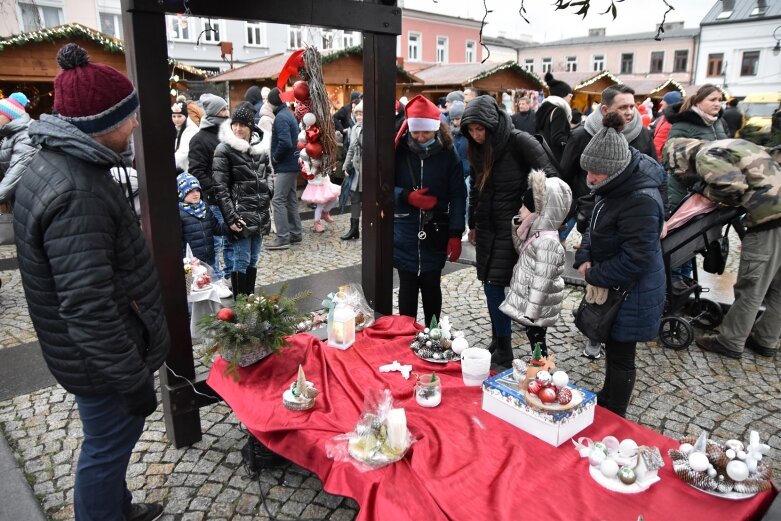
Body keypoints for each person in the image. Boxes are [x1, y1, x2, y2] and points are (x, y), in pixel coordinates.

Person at [14, 43, 169, 521]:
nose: (136, 123)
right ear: (103, 122)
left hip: (93, 357)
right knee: (104, 453)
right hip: (103, 363)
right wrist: (130, 378)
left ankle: (117, 509)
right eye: (130, 115)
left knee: (109, 449)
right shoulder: (77, 188)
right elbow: (87, 306)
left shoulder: (67, 165)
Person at [573, 112, 666, 417]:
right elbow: (595, 226)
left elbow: (636, 259)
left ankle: (616, 412)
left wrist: (595, 273)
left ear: (614, 170)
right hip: (617, 285)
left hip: (632, 291)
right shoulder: (613, 184)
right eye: (588, 170)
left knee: (623, 354)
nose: (590, 178)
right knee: (612, 346)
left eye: (595, 172)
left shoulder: (641, 199)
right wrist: (584, 256)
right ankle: (607, 396)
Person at [460, 95, 559, 367]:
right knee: (492, 287)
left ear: (492, 125)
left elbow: (551, 178)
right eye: (470, 130)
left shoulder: (519, 140)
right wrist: (473, 225)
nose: (475, 135)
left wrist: (528, 204)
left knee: (527, 290)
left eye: (480, 129)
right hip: (489, 229)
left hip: (520, 230)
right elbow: (476, 191)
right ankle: (501, 343)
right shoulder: (477, 150)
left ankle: (538, 352)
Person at [663, 137, 781, 359]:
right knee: (778, 288)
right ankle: (766, 339)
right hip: (776, 214)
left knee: (752, 287)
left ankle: (731, 341)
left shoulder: (705, 155)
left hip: (769, 220)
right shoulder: (735, 144)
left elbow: (732, 187)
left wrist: (705, 193)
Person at [393, 95, 466, 326]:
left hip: (436, 227)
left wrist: (455, 233)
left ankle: (432, 333)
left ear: (436, 129)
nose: (421, 137)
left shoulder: (448, 153)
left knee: (432, 283)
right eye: (416, 132)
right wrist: (405, 196)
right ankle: (406, 332)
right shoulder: (398, 150)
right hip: (405, 227)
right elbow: (381, 187)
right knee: (407, 284)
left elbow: (458, 194)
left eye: (426, 132)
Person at [499, 170, 572, 358]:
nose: (520, 210)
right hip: (534, 302)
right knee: (534, 336)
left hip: (539, 306)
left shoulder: (547, 241)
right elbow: (522, 250)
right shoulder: (537, 233)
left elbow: (543, 280)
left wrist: (531, 313)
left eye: (524, 207)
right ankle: (539, 367)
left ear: (538, 212)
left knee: (537, 338)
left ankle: (542, 371)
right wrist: (517, 228)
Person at [664, 84, 728, 292]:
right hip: (685, 190)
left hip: (707, 191)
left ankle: (685, 277)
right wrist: (697, 180)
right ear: (698, 101)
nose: (717, 104)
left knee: (697, 236)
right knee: (681, 235)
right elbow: (673, 159)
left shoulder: (718, 123)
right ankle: (674, 277)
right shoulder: (684, 123)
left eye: (720, 99)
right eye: (712, 99)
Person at [212, 102, 272, 295]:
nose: (238, 128)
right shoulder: (224, 150)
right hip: (240, 214)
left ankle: (250, 300)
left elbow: (269, 172)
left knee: (253, 259)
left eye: (243, 125)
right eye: (235, 124)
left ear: (251, 127)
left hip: (260, 211)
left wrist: (268, 191)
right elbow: (220, 188)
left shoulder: (260, 147)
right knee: (241, 259)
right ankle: (242, 306)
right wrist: (231, 218)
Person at [188, 93, 234, 298]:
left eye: (227, 109)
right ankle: (214, 281)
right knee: (216, 242)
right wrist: (216, 189)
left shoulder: (229, 133)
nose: (227, 113)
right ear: (215, 113)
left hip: (233, 197)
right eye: (223, 110)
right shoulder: (199, 139)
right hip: (215, 200)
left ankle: (231, 276)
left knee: (232, 238)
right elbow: (197, 170)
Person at [265, 87, 302, 250]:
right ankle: (295, 233)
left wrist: (275, 158)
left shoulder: (280, 117)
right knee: (290, 199)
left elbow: (285, 143)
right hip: (292, 163)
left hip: (285, 165)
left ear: (272, 102)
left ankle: (283, 237)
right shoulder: (288, 114)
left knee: (278, 200)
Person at [177, 172, 230, 268]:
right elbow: (179, 242)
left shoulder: (204, 207)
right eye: (190, 191)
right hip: (191, 263)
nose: (196, 194)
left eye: (197, 190)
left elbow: (216, 228)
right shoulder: (179, 213)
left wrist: (231, 225)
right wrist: (186, 261)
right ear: (181, 193)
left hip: (209, 260)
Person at [0, 92, 37, 207]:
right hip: (19, 201)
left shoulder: (27, 136)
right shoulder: (9, 135)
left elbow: (14, 176)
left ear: (9, 116)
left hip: (29, 203)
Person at [341, 100, 365, 240]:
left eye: (362, 114)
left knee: (367, 200)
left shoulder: (369, 129)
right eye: (357, 114)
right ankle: (354, 229)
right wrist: (346, 166)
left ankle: (369, 227)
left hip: (367, 170)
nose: (359, 117)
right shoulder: (354, 128)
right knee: (354, 199)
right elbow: (350, 149)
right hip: (356, 170)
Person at [536, 72, 573, 162]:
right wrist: (572, 141)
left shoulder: (544, 108)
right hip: (555, 159)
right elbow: (557, 139)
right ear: (563, 94)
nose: (571, 98)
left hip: (541, 155)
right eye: (570, 95)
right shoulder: (559, 111)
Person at [448, 100, 470, 229]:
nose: (456, 122)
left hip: (468, 173)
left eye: (458, 118)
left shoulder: (469, 134)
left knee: (467, 200)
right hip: (456, 173)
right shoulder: (450, 134)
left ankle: (467, 225)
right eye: (454, 119)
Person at [651, 91, 682, 159]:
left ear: (670, 103)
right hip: (655, 157)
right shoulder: (662, 117)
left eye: (664, 100)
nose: (661, 102)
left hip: (664, 160)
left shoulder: (676, 120)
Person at [172, 100, 198, 172]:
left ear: (186, 116)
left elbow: (183, 152)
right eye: (174, 116)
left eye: (179, 116)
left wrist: (168, 165)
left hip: (190, 170)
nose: (176, 119)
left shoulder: (191, 130)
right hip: (183, 168)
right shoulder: (178, 128)